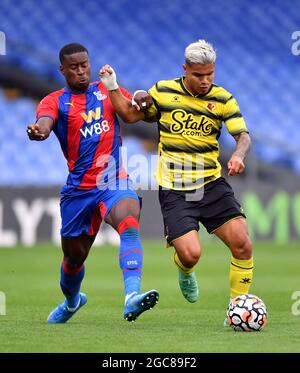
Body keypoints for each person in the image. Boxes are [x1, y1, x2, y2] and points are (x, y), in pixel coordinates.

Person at [99, 39, 254, 324]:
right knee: (192, 254)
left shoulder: (223, 99)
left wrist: (239, 155)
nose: (206, 80)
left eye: (210, 74)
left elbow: (242, 136)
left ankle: (236, 309)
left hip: (211, 183)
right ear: (185, 69)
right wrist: (112, 86)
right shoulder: (164, 91)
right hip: (176, 190)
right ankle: (185, 269)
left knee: (243, 244)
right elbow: (130, 115)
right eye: (198, 75)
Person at [27, 43, 159, 323]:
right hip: (79, 191)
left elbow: (130, 103)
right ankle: (72, 302)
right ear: (62, 70)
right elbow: (45, 121)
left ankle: (131, 297)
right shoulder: (55, 100)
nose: (81, 71)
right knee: (74, 259)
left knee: (129, 222)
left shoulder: (106, 90)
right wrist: (40, 130)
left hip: (113, 180)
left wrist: (141, 97)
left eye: (84, 64)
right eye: (74, 67)